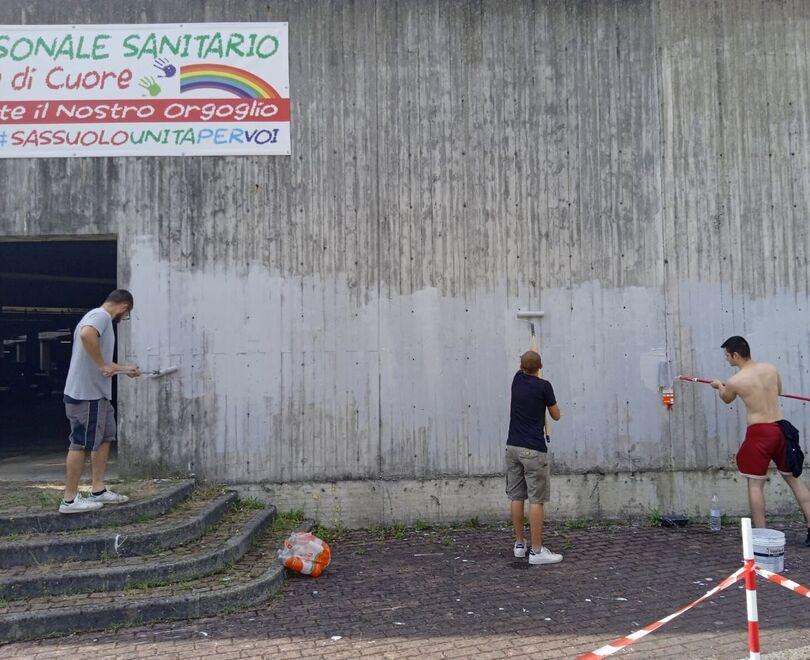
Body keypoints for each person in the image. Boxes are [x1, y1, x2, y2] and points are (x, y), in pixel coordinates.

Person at [712, 336, 810, 544]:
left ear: (736, 355)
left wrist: (718, 386)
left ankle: (762, 537)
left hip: (759, 433)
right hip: (780, 429)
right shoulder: (770, 369)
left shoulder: (735, 381)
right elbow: (779, 391)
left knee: (755, 485)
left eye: (727, 356)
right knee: (794, 479)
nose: (727, 360)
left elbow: (727, 398)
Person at [59, 290, 141, 514]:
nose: (123, 317)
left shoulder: (97, 317)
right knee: (80, 443)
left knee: (105, 437)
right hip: (87, 396)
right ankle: (69, 499)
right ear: (124, 307)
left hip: (99, 395)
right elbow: (87, 335)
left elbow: (105, 364)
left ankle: (98, 489)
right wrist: (102, 365)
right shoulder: (100, 316)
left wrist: (124, 369)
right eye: (126, 314)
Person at [506, 349, 562, 564]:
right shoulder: (544, 386)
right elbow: (556, 416)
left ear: (521, 367)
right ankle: (537, 551)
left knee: (516, 496)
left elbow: (526, 367)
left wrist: (529, 364)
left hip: (512, 447)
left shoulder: (516, 381)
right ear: (540, 367)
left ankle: (520, 544)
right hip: (533, 450)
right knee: (536, 500)